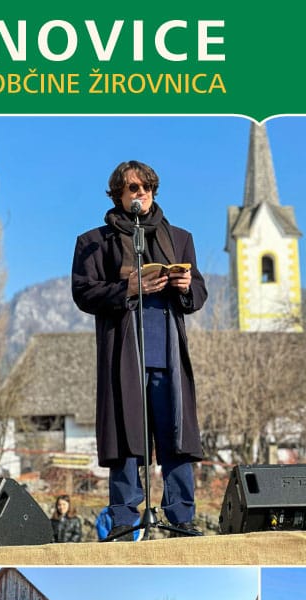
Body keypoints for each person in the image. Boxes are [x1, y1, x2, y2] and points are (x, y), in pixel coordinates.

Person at [72, 159, 207, 540]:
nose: (140, 194)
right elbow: (83, 292)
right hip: (124, 357)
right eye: (132, 188)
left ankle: (181, 517)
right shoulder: (93, 242)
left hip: (167, 356)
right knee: (127, 437)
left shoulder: (179, 237)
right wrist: (126, 289)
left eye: (146, 188)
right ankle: (124, 520)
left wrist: (184, 286)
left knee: (176, 437)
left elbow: (199, 294)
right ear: (118, 194)